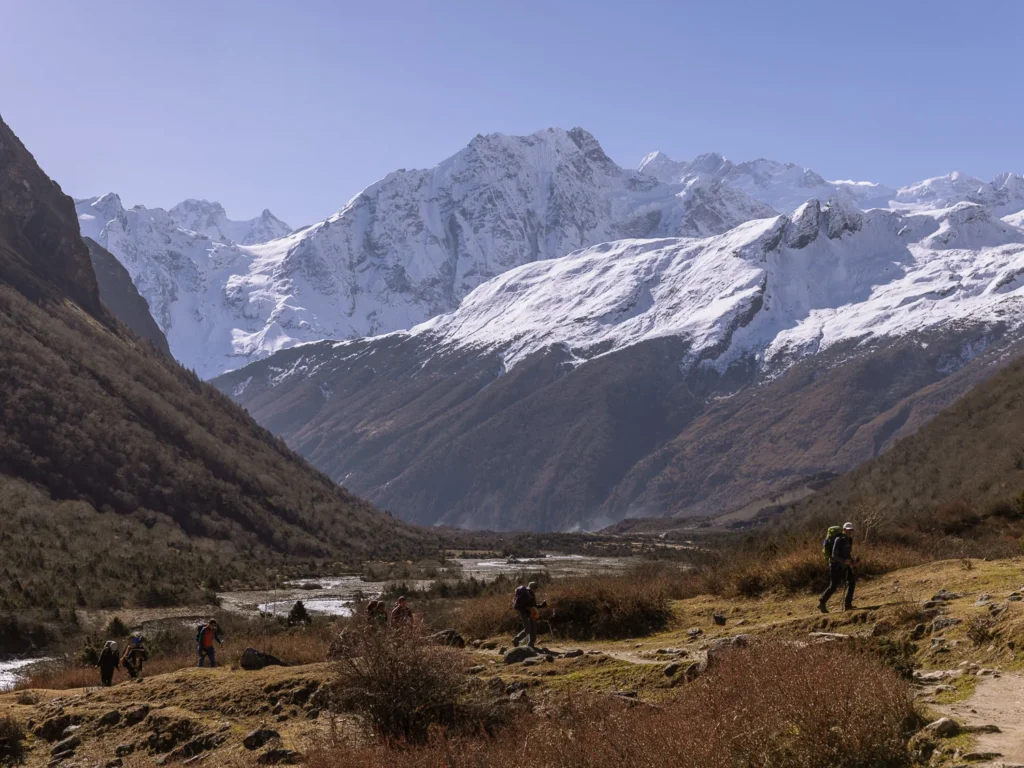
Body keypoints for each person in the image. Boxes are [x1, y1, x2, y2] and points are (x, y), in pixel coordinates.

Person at [819, 522, 857, 613]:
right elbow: (834, 555)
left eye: (851, 530)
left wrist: (851, 562)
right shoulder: (838, 539)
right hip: (835, 565)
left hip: (844, 565)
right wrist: (844, 561)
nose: (849, 532)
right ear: (843, 530)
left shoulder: (849, 539)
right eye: (848, 530)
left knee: (851, 582)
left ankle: (848, 605)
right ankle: (822, 602)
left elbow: (847, 554)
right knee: (833, 586)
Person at [512, 581, 546, 648]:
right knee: (528, 629)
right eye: (535, 588)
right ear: (532, 588)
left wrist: (541, 605)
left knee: (533, 629)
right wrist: (531, 608)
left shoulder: (530, 594)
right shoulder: (527, 594)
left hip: (530, 613)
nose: (536, 590)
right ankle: (516, 639)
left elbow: (533, 605)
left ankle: (531, 644)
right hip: (526, 614)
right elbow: (527, 606)